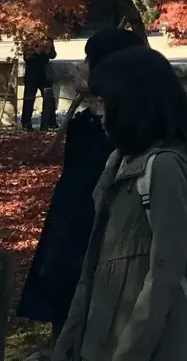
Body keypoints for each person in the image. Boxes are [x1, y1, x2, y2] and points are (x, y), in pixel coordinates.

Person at [51, 45, 187, 361]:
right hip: (99, 336)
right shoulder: (119, 161)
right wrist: (66, 346)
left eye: (104, 102)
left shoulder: (163, 167)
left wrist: (129, 352)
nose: (100, 112)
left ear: (132, 103)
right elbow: (92, 270)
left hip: (143, 346)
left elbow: (165, 273)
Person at [18, 28, 150, 335]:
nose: (79, 67)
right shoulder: (84, 125)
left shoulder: (128, 134)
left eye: (89, 60)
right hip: (68, 235)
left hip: (106, 248)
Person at [22, 35, 59, 131]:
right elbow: (26, 58)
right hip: (31, 75)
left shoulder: (48, 39)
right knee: (29, 100)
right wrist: (38, 49)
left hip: (44, 75)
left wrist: (48, 49)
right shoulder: (29, 40)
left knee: (50, 99)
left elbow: (53, 55)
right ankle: (26, 123)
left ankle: (51, 122)